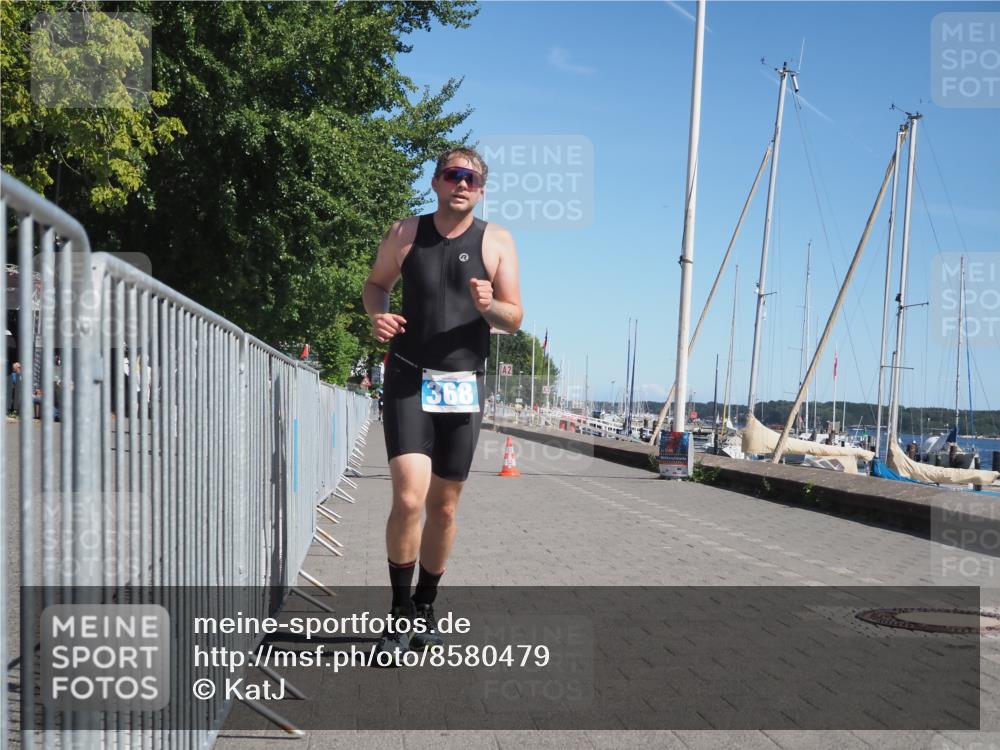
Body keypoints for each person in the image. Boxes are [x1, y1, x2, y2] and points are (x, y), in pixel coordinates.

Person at [363, 146, 523, 662]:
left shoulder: (496, 241)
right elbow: (375, 285)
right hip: (408, 377)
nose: (463, 184)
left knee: (445, 507)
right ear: (436, 182)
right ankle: (399, 611)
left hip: (462, 385)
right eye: (454, 175)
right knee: (410, 499)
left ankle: (427, 605)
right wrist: (378, 316)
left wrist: (488, 306)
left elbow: (514, 317)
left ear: (481, 189)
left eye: (473, 179)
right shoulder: (405, 233)